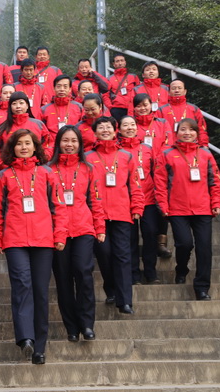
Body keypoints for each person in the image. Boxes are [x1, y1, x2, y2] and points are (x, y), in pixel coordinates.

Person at [0, 129, 67, 365]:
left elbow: (59, 206)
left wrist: (60, 234)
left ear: (35, 147)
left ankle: (39, 348)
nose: (23, 147)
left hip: (43, 240)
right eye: (19, 144)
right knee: (22, 286)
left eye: (28, 143)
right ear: (12, 148)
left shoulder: (47, 173)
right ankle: (25, 338)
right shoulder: (4, 176)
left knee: (40, 292)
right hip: (14, 240)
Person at [154, 118, 220, 301]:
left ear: (197, 133)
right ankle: (182, 269)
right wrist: (163, 206)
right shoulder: (167, 154)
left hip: (203, 208)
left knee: (204, 248)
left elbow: (215, 181)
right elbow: (160, 183)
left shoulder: (206, 154)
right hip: (177, 209)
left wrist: (216, 203)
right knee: (184, 244)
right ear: (176, 133)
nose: (187, 133)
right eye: (183, 130)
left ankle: (202, 287)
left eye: (191, 130)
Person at [48, 126, 105, 342]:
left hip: (83, 228)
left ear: (80, 144)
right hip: (56, 231)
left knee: (83, 272)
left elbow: (95, 200)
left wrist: (100, 227)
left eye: (74, 141)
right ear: (58, 143)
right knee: (63, 279)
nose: (69, 144)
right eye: (65, 140)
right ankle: (71, 327)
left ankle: (87, 324)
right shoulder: (48, 170)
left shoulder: (88, 168)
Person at [85, 116, 144, 314]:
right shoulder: (88, 157)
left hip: (121, 212)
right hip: (97, 213)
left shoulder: (126, 156)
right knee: (104, 253)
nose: (105, 130)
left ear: (115, 130)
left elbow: (135, 183)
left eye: (108, 127)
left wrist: (137, 207)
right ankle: (110, 289)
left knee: (123, 256)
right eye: (100, 127)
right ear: (94, 132)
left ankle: (125, 300)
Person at [117, 115, 161, 284]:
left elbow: (156, 172)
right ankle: (134, 274)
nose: (129, 128)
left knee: (150, 234)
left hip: (147, 198)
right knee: (130, 238)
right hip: (126, 201)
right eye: (125, 125)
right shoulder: (117, 149)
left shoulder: (147, 148)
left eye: (132, 125)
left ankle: (151, 272)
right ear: (119, 129)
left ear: (137, 127)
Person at [132, 92, 173, 258]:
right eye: (138, 106)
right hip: (139, 169)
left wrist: (158, 161)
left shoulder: (162, 122)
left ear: (151, 105)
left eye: (145, 105)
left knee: (161, 202)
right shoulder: (131, 124)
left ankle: (161, 242)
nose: (142, 108)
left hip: (160, 168)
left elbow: (168, 143)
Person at [0, 92, 52, 168]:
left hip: (36, 168)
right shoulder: (2, 128)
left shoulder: (39, 125)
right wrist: (4, 165)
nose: (18, 106)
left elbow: (49, 144)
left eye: (21, 103)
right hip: (10, 170)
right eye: (14, 104)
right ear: (10, 107)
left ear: (27, 105)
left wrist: (42, 159)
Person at [156, 79, 209, 146]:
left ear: (185, 91)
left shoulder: (194, 109)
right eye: (173, 88)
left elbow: (201, 130)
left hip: (191, 147)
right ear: (168, 92)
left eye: (179, 88)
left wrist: (204, 145)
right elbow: (157, 132)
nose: (177, 90)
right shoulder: (161, 110)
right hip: (169, 148)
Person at [41, 75, 83, 142]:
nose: (62, 89)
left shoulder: (79, 107)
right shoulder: (44, 109)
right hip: (51, 144)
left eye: (65, 87)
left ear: (70, 89)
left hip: (72, 144)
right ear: (54, 88)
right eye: (59, 86)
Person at [107, 54, 141, 121]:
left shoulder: (133, 77)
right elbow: (106, 94)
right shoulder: (109, 79)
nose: (120, 63)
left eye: (122, 60)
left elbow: (139, 92)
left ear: (125, 62)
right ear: (114, 64)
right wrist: (110, 107)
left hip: (132, 107)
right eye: (117, 61)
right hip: (117, 108)